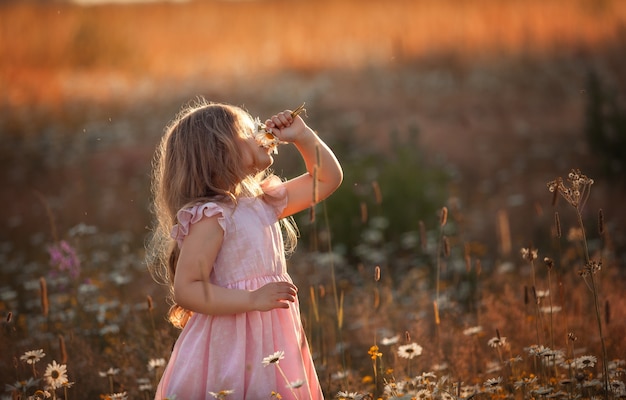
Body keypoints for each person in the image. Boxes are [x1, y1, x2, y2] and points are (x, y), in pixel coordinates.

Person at [148, 98, 343, 399]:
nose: (260, 132)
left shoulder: (262, 203)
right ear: (220, 150)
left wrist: (304, 137)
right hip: (229, 344)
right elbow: (187, 288)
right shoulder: (212, 216)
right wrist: (252, 298)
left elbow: (327, 179)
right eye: (248, 130)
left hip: (272, 336)